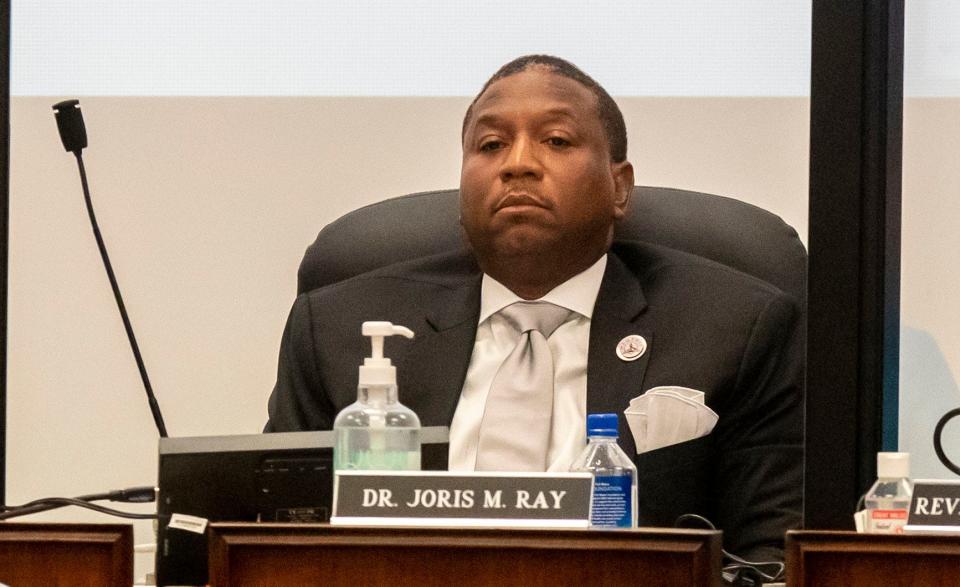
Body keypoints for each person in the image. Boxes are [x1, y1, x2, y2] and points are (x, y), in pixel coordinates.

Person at [265, 55, 802, 561]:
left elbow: (771, 554)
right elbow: (274, 540)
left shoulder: (736, 326)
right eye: (491, 144)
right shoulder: (335, 329)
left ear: (619, 187)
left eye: (557, 139)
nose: (518, 164)